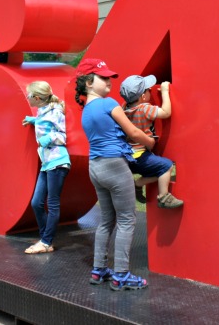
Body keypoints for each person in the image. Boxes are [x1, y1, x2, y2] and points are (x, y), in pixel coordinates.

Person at [74, 58, 154, 291]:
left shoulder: (87, 110)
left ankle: (99, 270)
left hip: (95, 167)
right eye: (103, 77)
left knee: (107, 220)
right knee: (128, 219)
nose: (109, 81)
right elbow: (132, 131)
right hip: (115, 167)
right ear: (89, 82)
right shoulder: (109, 104)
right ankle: (121, 275)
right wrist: (149, 142)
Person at [22, 81, 70, 254]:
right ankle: (45, 240)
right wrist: (33, 120)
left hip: (57, 161)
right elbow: (45, 121)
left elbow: (62, 134)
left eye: (28, 95)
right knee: (36, 203)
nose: (27, 98)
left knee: (52, 204)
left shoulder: (56, 111)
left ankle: (45, 241)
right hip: (47, 162)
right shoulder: (43, 111)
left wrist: (46, 139)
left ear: (36, 98)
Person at [119, 75, 183, 208]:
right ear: (143, 96)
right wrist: (165, 91)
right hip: (139, 155)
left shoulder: (124, 110)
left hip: (127, 158)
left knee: (157, 170)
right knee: (166, 166)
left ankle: (138, 183)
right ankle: (164, 197)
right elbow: (165, 112)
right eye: (148, 90)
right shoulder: (144, 108)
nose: (150, 91)